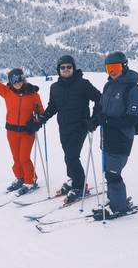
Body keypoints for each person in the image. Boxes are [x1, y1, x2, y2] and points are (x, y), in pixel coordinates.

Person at [26, 55, 101, 202]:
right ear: (58, 70)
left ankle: (79, 186)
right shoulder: (55, 87)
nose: (66, 69)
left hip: (80, 126)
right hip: (64, 127)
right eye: (62, 67)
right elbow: (52, 107)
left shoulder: (83, 84)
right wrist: (41, 119)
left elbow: (99, 98)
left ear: (73, 68)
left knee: (72, 156)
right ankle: (74, 179)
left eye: (69, 67)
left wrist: (94, 119)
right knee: (68, 155)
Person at [0, 60, 43, 195]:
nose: (17, 83)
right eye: (14, 81)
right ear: (10, 82)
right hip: (11, 131)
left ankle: (31, 180)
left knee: (24, 158)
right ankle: (21, 178)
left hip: (27, 132)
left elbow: (41, 111)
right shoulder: (7, 92)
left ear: (24, 79)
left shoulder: (33, 94)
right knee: (16, 159)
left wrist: (36, 122)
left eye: (19, 80)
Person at [92, 51, 138, 220]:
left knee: (113, 173)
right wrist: (95, 120)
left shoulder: (132, 89)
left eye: (115, 67)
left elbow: (131, 119)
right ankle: (115, 198)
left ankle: (119, 207)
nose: (112, 71)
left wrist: (106, 121)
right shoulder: (109, 85)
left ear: (124, 66)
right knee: (108, 170)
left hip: (121, 138)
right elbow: (100, 107)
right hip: (106, 136)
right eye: (108, 68)